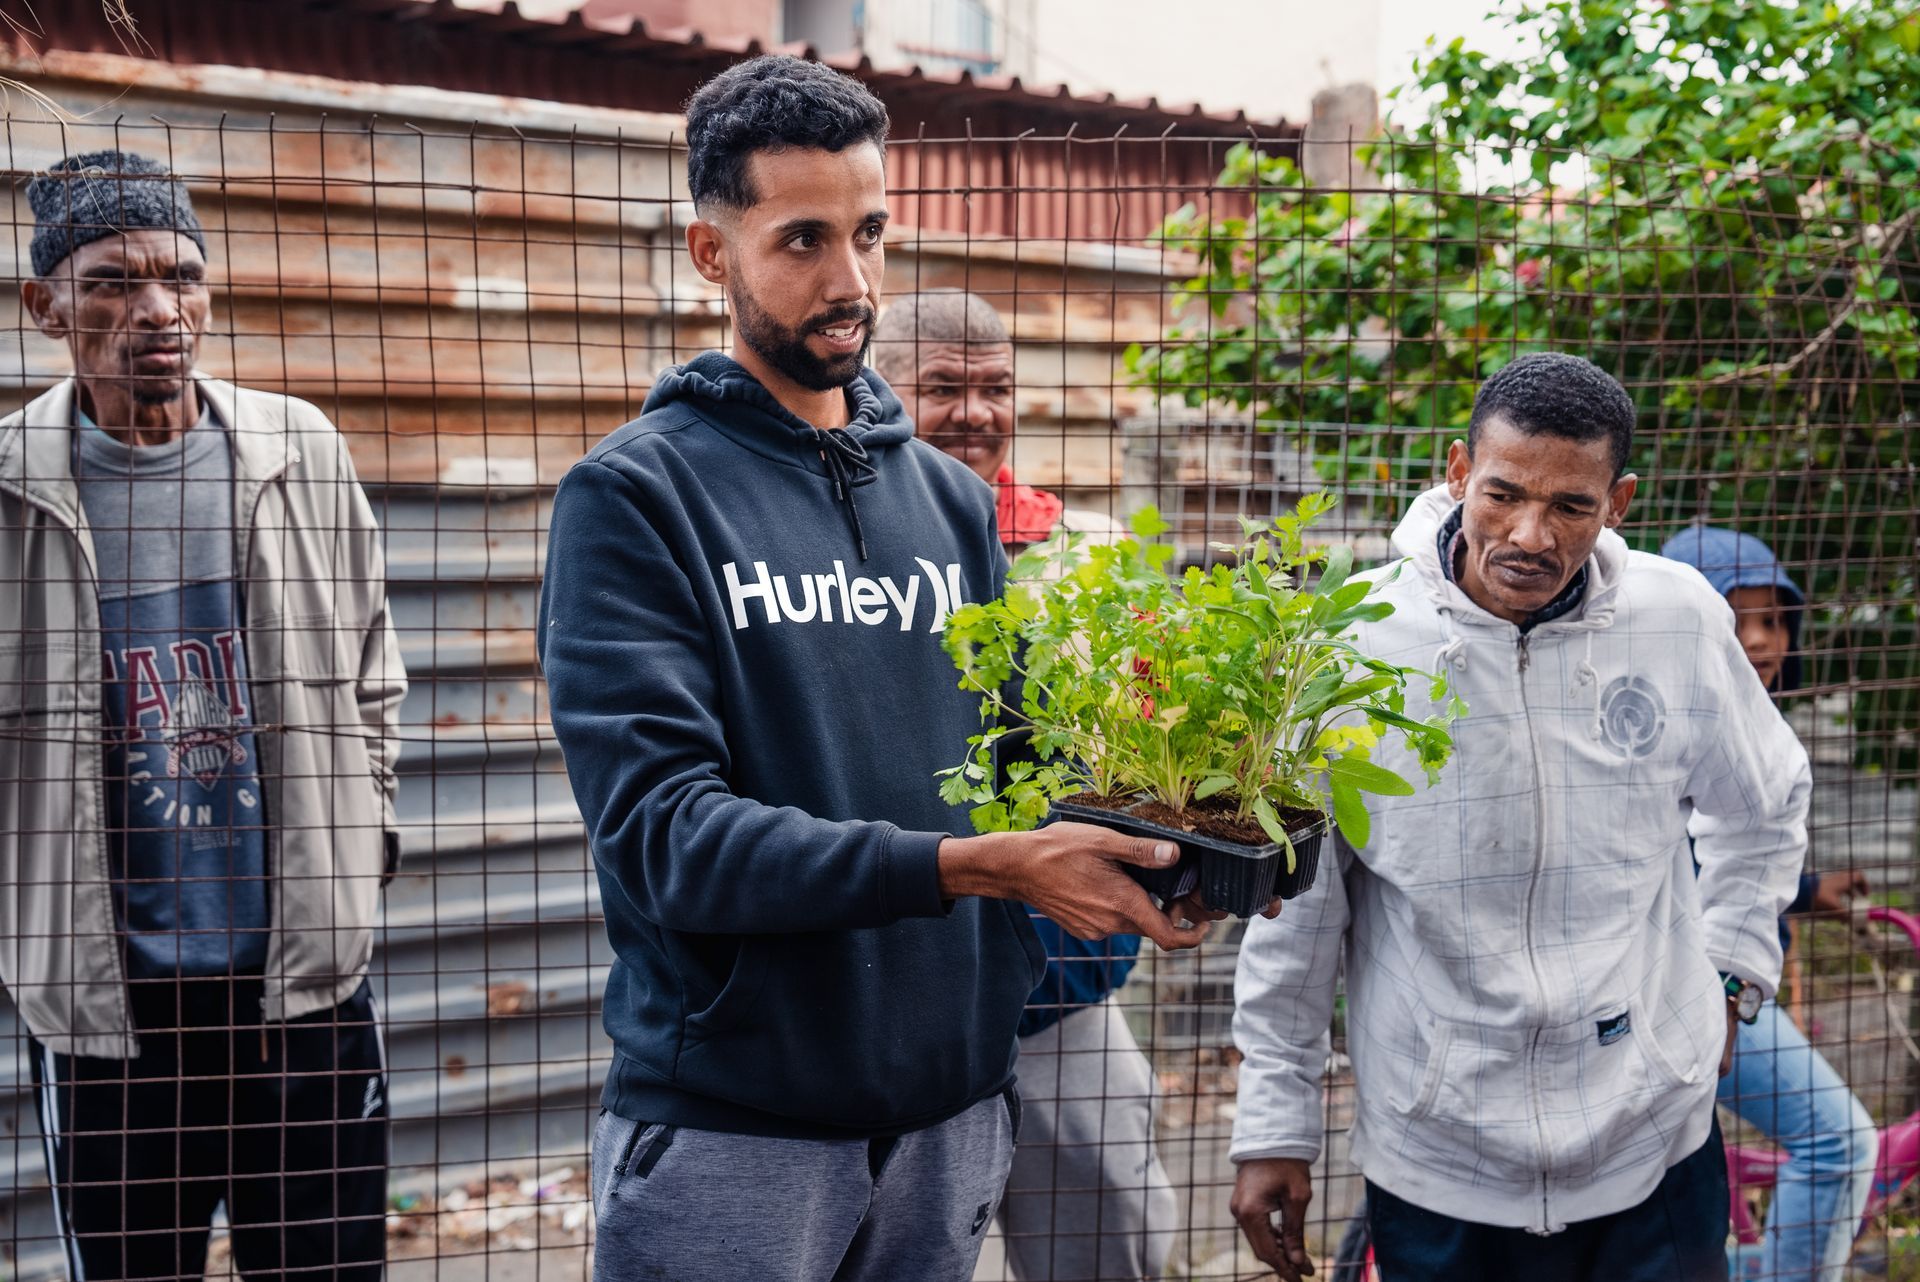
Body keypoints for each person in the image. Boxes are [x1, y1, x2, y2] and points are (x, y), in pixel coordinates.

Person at [537, 57, 1225, 1282]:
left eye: (869, 232)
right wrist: (982, 868)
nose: (849, 282)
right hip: (737, 1130)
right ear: (712, 253)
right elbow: (666, 839)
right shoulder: (636, 496)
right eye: (801, 239)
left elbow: (1021, 770)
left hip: (953, 1114)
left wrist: (1168, 840)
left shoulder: (953, 507)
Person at [1228, 352, 1811, 1282]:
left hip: (1654, 1144)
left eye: (1571, 507)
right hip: (1440, 1158)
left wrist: (1735, 970)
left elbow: (1765, 805)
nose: (1530, 535)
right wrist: (1274, 1123)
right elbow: (1295, 914)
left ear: (1618, 502)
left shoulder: (1679, 619)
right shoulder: (1346, 646)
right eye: (1503, 494)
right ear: (1459, 472)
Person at [1, 150, 405, 1282]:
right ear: (46, 306)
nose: (158, 311)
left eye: (182, 277)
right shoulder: (10, 488)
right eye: (114, 284)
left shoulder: (298, 451)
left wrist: (357, 844)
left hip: (300, 993)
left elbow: (374, 672)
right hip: (109, 1010)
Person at [874, 290, 1176, 1281]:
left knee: (1112, 1239)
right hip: (902, 1002)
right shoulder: (844, 558)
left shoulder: (1083, 552)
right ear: (878, 390)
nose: (977, 412)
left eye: (997, 387)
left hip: (1061, 989)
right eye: (945, 387)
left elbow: (1152, 748)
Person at [1662, 526, 1878, 1282]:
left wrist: (1810, 891)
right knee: (1841, 1142)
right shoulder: (1667, 725)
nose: (1759, 640)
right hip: (1696, 992)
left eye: (1773, 619)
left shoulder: (1756, 722)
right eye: (1735, 618)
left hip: (1735, 986)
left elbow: (1743, 855)